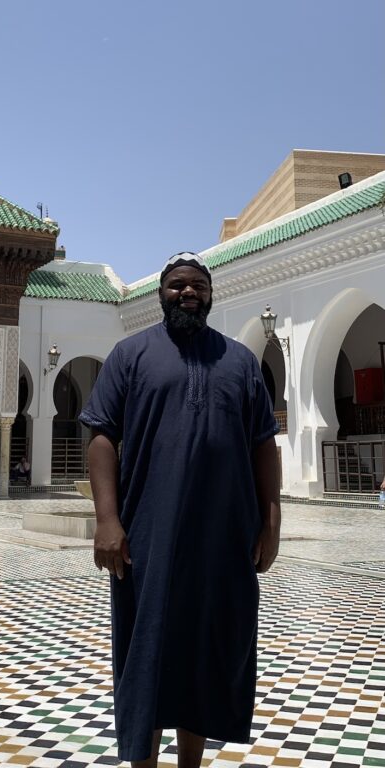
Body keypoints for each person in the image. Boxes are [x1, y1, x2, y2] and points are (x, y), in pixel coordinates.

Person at [81, 252, 281, 768]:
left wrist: (272, 520)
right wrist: (108, 520)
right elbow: (102, 435)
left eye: (197, 285)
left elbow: (263, 442)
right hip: (148, 537)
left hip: (224, 537)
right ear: (160, 294)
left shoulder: (238, 361)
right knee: (145, 655)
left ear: (211, 295)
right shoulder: (130, 355)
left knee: (208, 654)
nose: (187, 293)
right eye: (176, 285)